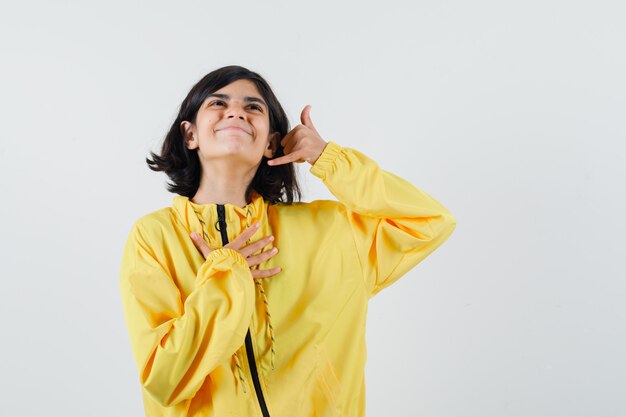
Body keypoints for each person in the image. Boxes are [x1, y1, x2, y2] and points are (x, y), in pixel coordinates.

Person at [119, 65, 457, 417]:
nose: (236, 111)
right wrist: (226, 276)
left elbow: (430, 221)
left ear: (270, 142)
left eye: (253, 107)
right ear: (190, 135)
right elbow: (164, 380)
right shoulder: (154, 237)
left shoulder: (329, 230)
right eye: (218, 103)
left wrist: (329, 159)